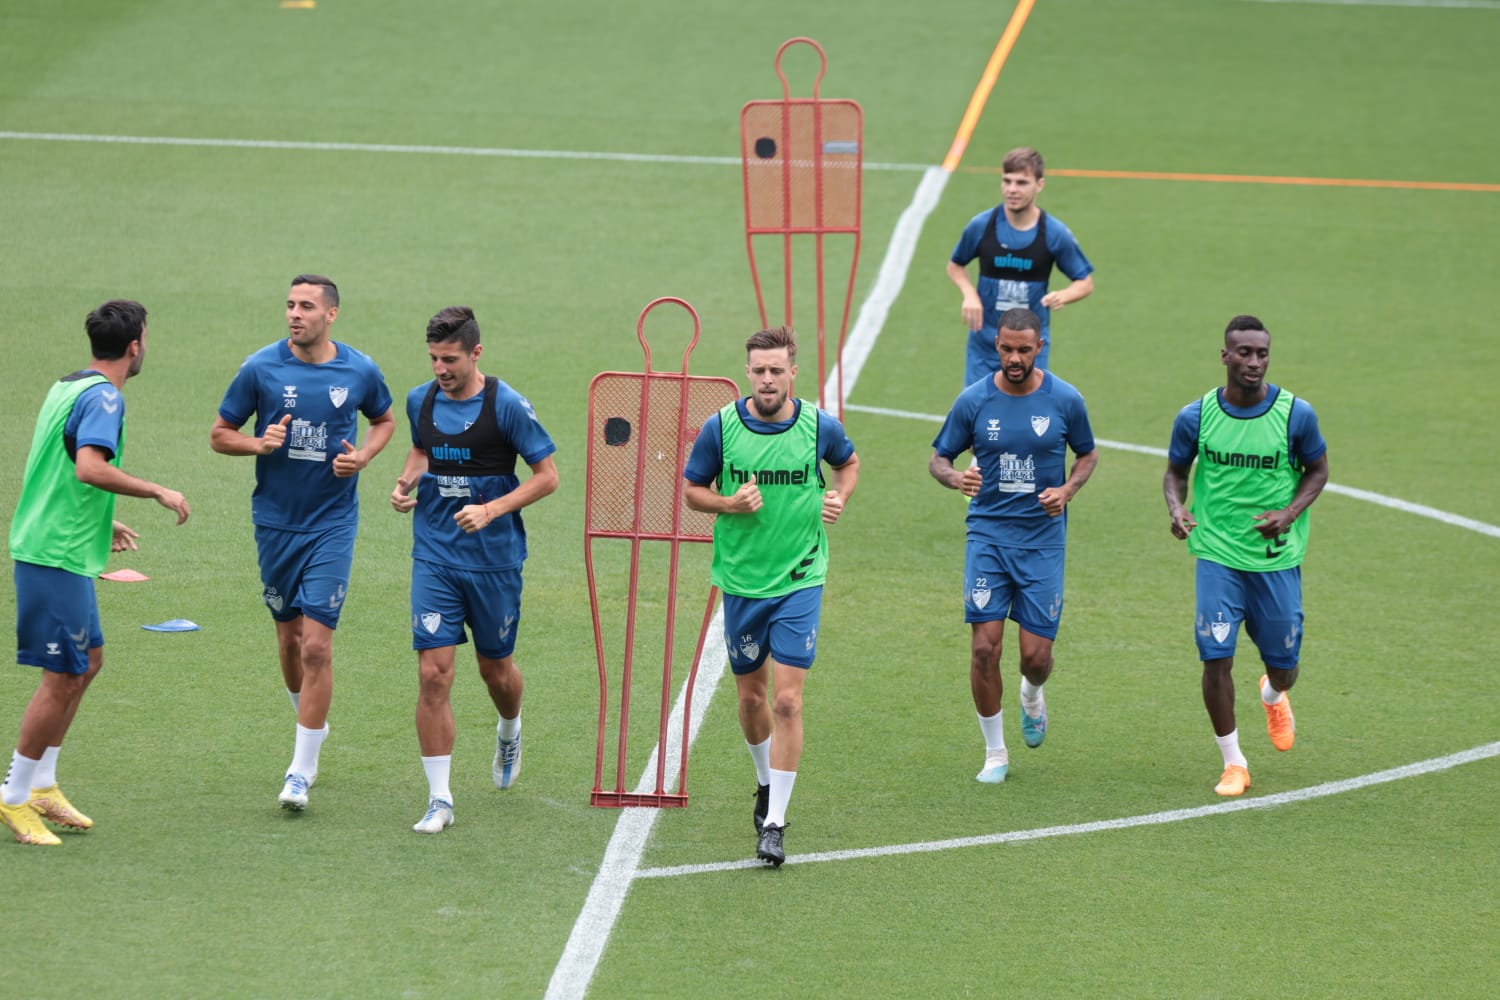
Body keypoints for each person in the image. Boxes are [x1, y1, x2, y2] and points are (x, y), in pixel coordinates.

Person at [2, 300, 191, 847]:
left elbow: (61, 467)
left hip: (59, 543)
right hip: (52, 554)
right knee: (62, 676)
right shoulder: (105, 398)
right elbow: (89, 466)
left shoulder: (69, 385)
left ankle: (41, 784)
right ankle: (13, 797)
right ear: (136, 346)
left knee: (88, 663)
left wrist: (103, 520)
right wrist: (157, 489)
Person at [210, 274, 395, 812]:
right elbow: (219, 434)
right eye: (290, 304)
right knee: (289, 641)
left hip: (333, 524)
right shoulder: (260, 368)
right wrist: (256, 443)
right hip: (274, 523)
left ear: (331, 314)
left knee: (316, 645)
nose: (295, 313)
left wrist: (363, 457)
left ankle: (300, 769)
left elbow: (383, 420)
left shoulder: (358, 369)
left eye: (307, 306)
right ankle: (308, 721)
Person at [683, 326, 858, 868]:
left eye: (775, 370)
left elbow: (847, 463)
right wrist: (729, 505)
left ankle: (776, 823)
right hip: (742, 581)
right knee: (751, 699)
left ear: (792, 374)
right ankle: (764, 782)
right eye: (758, 370)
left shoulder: (816, 428)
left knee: (786, 699)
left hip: (802, 574)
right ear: (747, 372)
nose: (766, 379)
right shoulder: (721, 429)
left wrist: (838, 496)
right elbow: (692, 490)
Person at [390, 306, 558, 834]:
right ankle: (440, 799)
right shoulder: (422, 399)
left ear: (476, 353)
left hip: (494, 561)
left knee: (496, 672)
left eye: (451, 359)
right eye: (435, 359)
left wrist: (492, 509)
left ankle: (510, 728)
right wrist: (405, 483)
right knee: (433, 674)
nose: (441, 369)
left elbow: (547, 478)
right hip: (436, 555)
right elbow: (422, 452)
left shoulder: (505, 405)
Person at [928, 308, 1096, 785]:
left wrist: (1067, 491)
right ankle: (996, 752)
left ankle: (1031, 694)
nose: (1015, 357)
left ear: (1039, 346)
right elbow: (939, 458)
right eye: (1007, 348)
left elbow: (1087, 455)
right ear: (995, 345)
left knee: (1035, 658)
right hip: (988, 536)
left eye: (1024, 349)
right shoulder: (974, 401)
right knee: (984, 648)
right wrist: (955, 477)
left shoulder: (1065, 399)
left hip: (1042, 542)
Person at [1163, 315, 1328, 797]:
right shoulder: (1196, 416)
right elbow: (1175, 472)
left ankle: (1274, 693)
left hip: (1274, 560)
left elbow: (1318, 471)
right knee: (1215, 658)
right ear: (1225, 356)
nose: (1254, 362)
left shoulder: (1296, 415)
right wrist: (1177, 507)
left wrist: (1291, 512)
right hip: (1217, 554)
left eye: (1261, 354)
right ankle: (1234, 762)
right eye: (1244, 353)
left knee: (1285, 665)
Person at [946, 146, 1095, 383]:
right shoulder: (981, 226)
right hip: (984, 347)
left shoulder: (1054, 233)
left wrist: (1064, 295)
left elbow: (1085, 282)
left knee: (1024, 415)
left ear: (1039, 185)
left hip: (1029, 351)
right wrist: (969, 294)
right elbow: (955, 265)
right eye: (1007, 181)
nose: (1012, 190)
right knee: (977, 416)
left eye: (1022, 183)